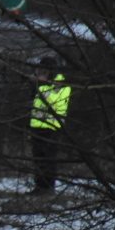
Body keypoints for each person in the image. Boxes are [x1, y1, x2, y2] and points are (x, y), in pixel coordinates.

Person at [29, 58, 70, 193]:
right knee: (38, 158)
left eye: (44, 70)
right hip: (37, 125)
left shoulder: (60, 83)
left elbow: (52, 100)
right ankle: (39, 186)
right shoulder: (43, 83)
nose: (41, 73)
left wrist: (39, 85)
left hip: (52, 126)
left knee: (49, 158)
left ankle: (48, 187)